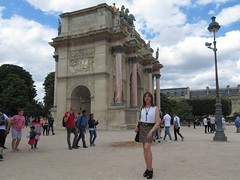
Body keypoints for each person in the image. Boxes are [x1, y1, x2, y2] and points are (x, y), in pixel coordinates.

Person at [134, 92, 160, 179]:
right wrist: (137, 126)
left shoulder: (155, 108)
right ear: (144, 98)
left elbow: (157, 122)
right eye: (145, 96)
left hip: (150, 128)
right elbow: (140, 119)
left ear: (151, 98)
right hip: (142, 128)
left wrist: (152, 131)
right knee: (144, 150)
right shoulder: (142, 108)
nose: (147, 98)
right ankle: (147, 168)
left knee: (147, 148)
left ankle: (150, 169)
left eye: (149, 96)